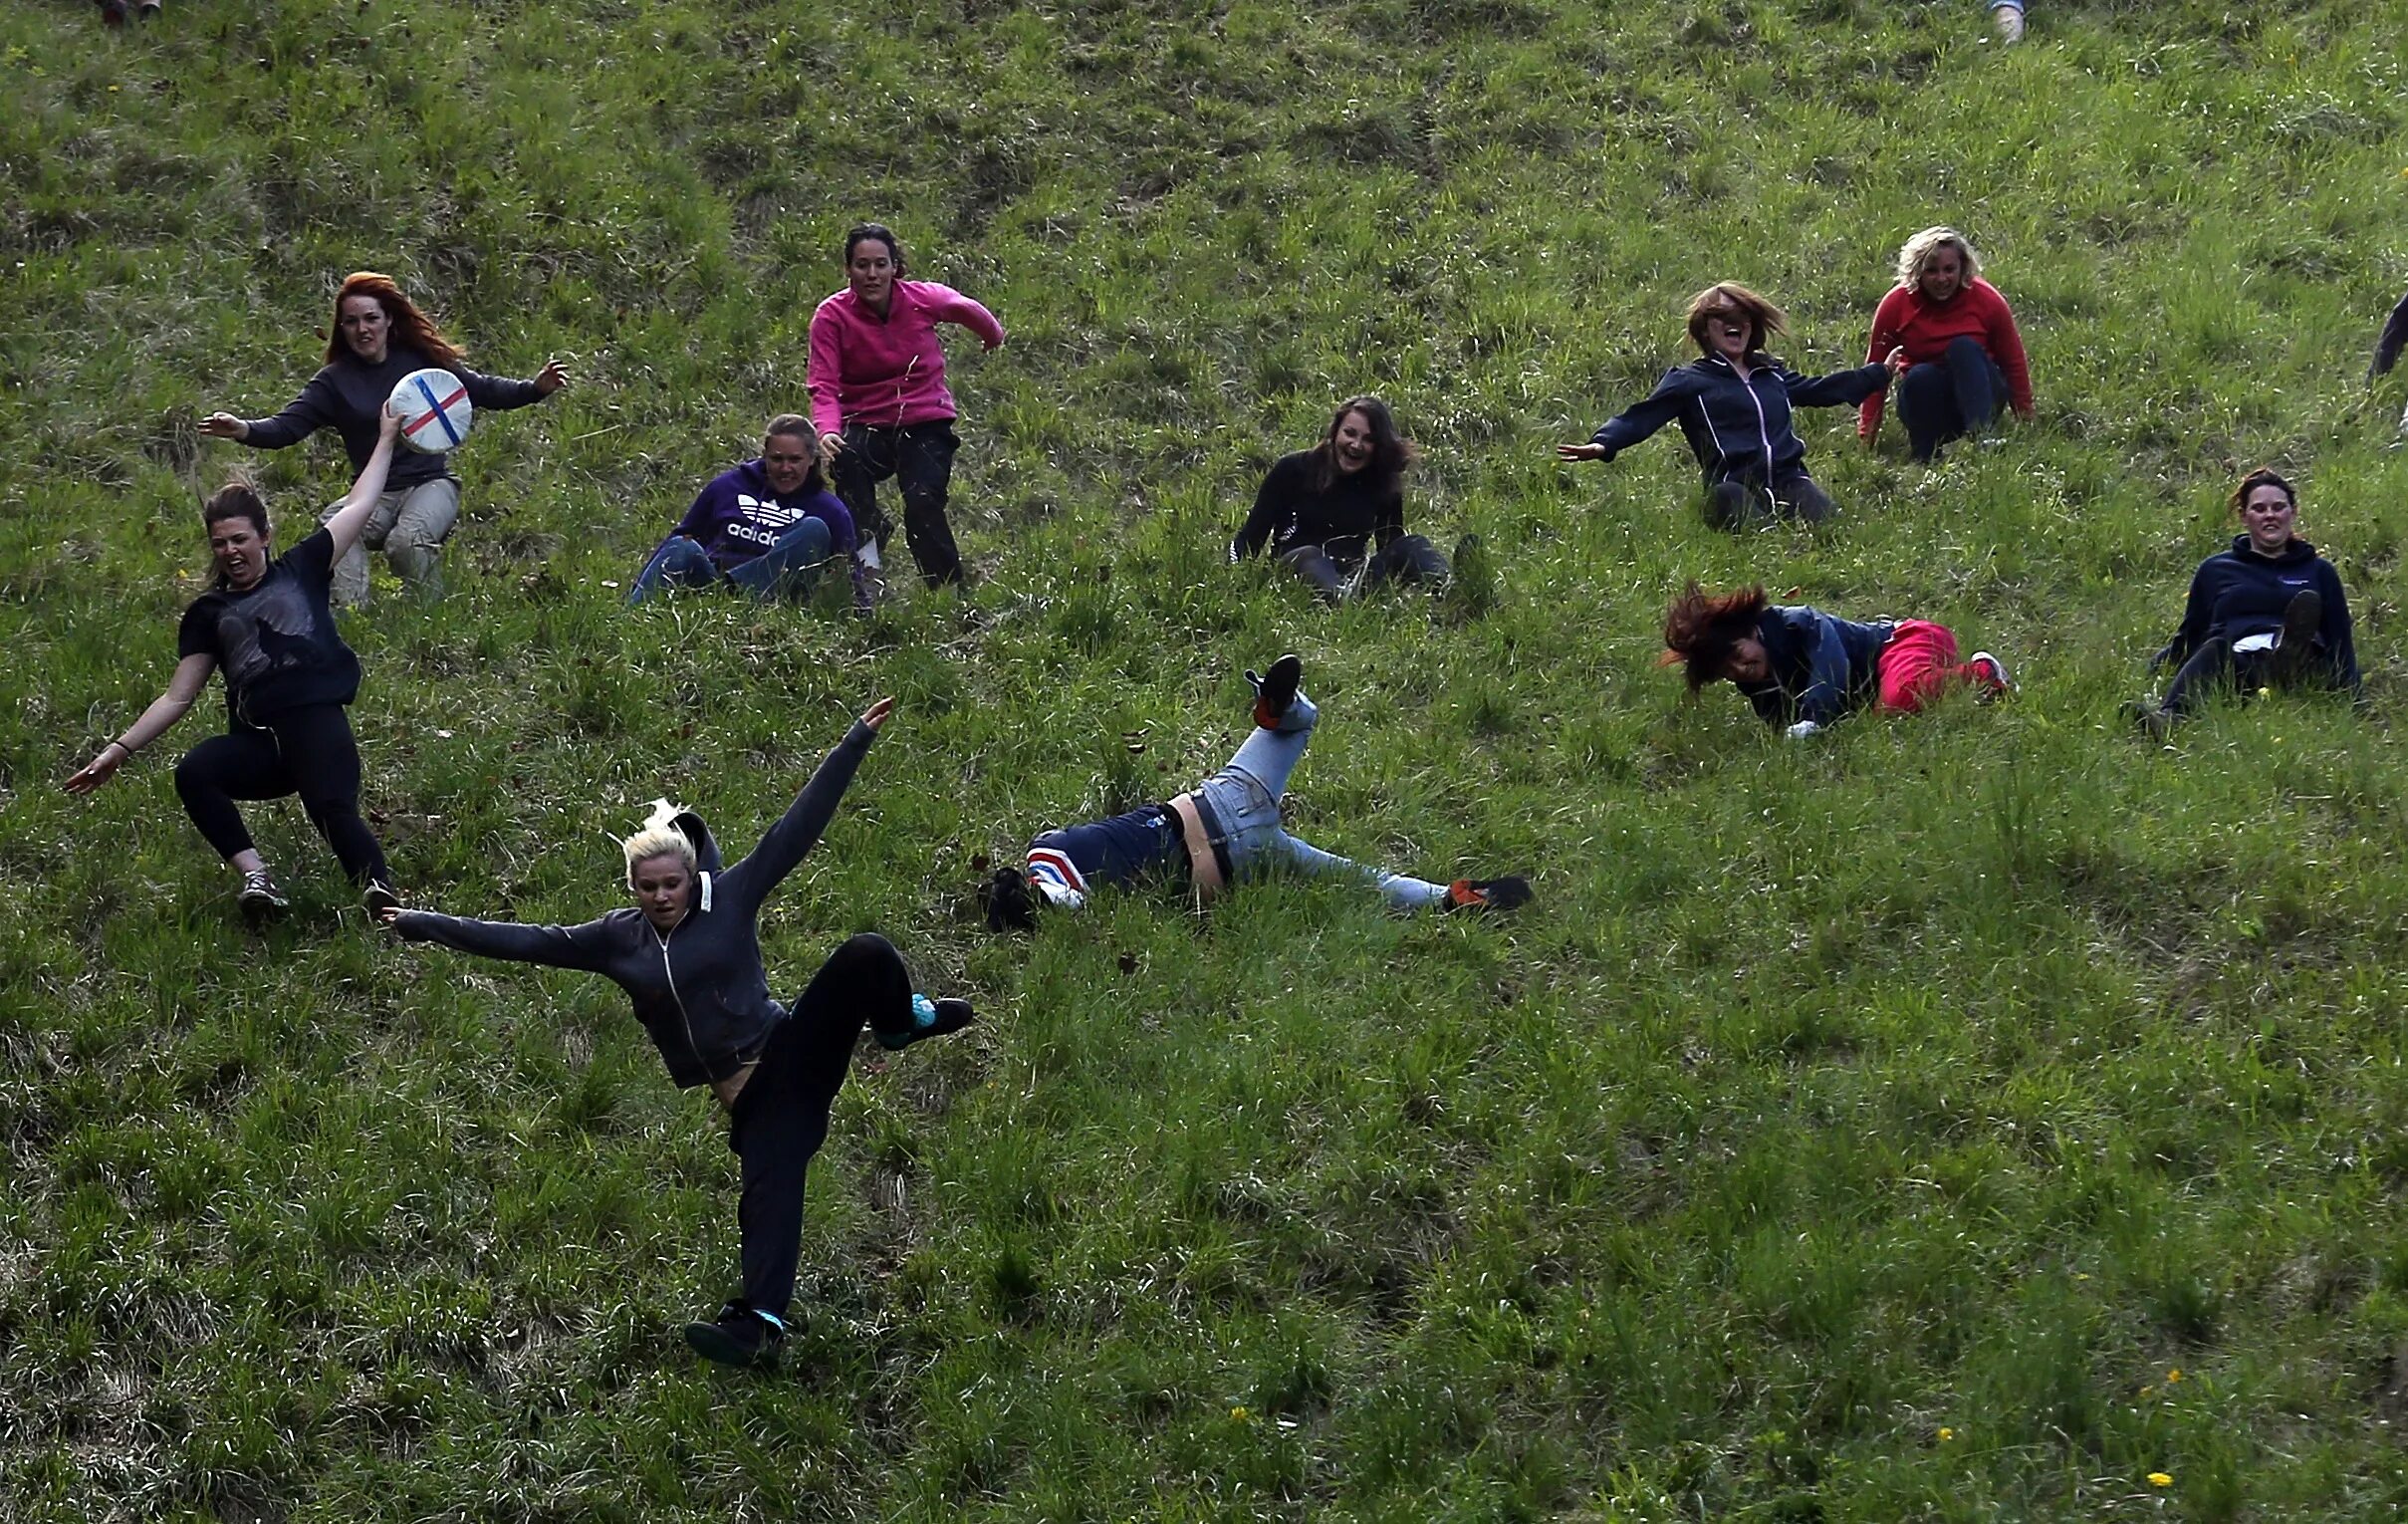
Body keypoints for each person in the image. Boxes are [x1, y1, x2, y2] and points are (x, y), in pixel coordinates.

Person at [377, 700, 975, 1369]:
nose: (662, 897)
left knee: (864, 953)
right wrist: (422, 922)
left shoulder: (731, 897)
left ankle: (901, 1023)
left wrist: (853, 743)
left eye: (673, 884)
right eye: (648, 887)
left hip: (788, 1049)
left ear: (692, 879)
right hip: (753, 1101)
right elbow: (525, 942)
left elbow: (795, 831)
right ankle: (758, 1326)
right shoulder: (616, 941)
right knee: (770, 1186)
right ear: (632, 888)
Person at [65, 407, 408, 918]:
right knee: (197, 771)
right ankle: (257, 877)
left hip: (316, 725)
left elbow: (360, 502)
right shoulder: (209, 612)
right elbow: (179, 695)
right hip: (259, 744)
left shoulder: (304, 568)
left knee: (330, 809)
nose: (230, 551)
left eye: (239, 539)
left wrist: (384, 438)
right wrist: (119, 749)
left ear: (264, 536)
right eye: (219, 543)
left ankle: (381, 897)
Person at [983, 654, 1531, 930]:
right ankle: (1277, 708)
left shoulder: (1055, 869)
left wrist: (1037, 905)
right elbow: (1061, 897)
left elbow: (1065, 902)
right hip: (1223, 803)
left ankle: (1448, 899)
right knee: (1299, 725)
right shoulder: (1050, 849)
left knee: (1365, 881)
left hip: (1237, 852)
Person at [199, 271, 572, 605]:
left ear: (389, 320)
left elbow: (481, 390)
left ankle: (429, 617)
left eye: (371, 319)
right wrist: (242, 429)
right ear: (341, 328)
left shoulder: (422, 361)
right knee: (336, 525)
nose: (363, 329)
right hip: (375, 493)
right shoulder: (334, 381)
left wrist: (535, 388)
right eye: (351, 321)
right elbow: (286, 427)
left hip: (431, 484)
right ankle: (353, 614)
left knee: (405, 541)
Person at [1557, 283, 1903, 529]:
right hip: (1732, 486)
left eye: (1742, 315)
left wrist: (1877, 373)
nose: (1734, 322)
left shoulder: (1770, 373)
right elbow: (1643, 415)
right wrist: (1604, 443)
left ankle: (1792, 528)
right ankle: (1768, 539)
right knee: (1741, 513)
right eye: (1722, 315)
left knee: (1831, 525)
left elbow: (1821, 389)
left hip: (1787, 480)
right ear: (1705, 330)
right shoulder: (1690, 380)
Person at [807, 224, 1004, 591]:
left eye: (881, 264)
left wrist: (992, 335)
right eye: (862, 265)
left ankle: (947, 590)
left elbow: (962, 307)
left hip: (925, 422)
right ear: (848, 269)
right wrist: (828, 430)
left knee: (922, 503)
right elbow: (824, 382)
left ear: (895, 267)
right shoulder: (832, 316)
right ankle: (866, 570)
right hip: (865, 423)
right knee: (847, 465)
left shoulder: (921, 299)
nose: (872, 274)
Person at [2124, 468, 2359, 739]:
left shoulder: (2319, 571)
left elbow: (2341, 640)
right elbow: (2192, 632)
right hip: (2239, 662)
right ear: (2244, 517)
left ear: (2293, 513)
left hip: (2306, 663)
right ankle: (2168, 719)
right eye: (2259, 508)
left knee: (2302, 637)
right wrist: (2157, 664)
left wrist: (2355, 699)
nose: (2269, 514)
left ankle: (2288, 653)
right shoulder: (2216, 569)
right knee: (2214, 647)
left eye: (2278, 507)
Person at [1660, 582, 2012, 737]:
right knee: (1888, 713)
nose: (1741, 670)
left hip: (1904, 641)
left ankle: (1982, 672)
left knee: (1898, 700)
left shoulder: (1799, 623)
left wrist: (1814, 719)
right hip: (1882, 676)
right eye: (1728, 671)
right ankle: (1960, 690)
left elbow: (1833, 664)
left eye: (1737, 655)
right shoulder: (1759, 687)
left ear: (1751, 633)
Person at [1228, 396, 1458, 603]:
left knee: (1412, 544)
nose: (1356, 445)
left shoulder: (1383, 484)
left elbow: (1391, 546)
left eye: (1368, 439)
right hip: (1295, 571)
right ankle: (1341, 596)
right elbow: (1250, 538)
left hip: (1353, 577)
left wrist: (1408, 569)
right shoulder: (1294, 469)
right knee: (1310, 554)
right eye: (1350, 433)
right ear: (1335, 432)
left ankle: (1451, 586)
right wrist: (1229, 580)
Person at [628, 414, 870, 609]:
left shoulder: (831, 511)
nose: (785, 468)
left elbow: (849, 573)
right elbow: (681, 539)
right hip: (711, 587)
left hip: (773, 601)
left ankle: (736, 593)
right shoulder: (727, 487)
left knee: (814, 529)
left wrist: (863, 621)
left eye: (795, 460)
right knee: (682, 544)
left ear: (811, 459)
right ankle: (630, 617)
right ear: (764, 456)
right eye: (777, 459)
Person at [1858, 227, 2035, 462]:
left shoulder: (1986, 299)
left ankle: (1982, 439)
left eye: (1949, 270)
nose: (1942, 279)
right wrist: (1867, 435)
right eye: (1932, 271)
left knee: (1963, 348)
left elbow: (2013, 361)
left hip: (1982, 394)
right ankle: (1925, 454)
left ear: (1963, 268)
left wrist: (2026, 420)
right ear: (1917, 272)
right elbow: (1876, 369)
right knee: (1920, 374)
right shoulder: (1897, 304)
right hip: (1928, 402)